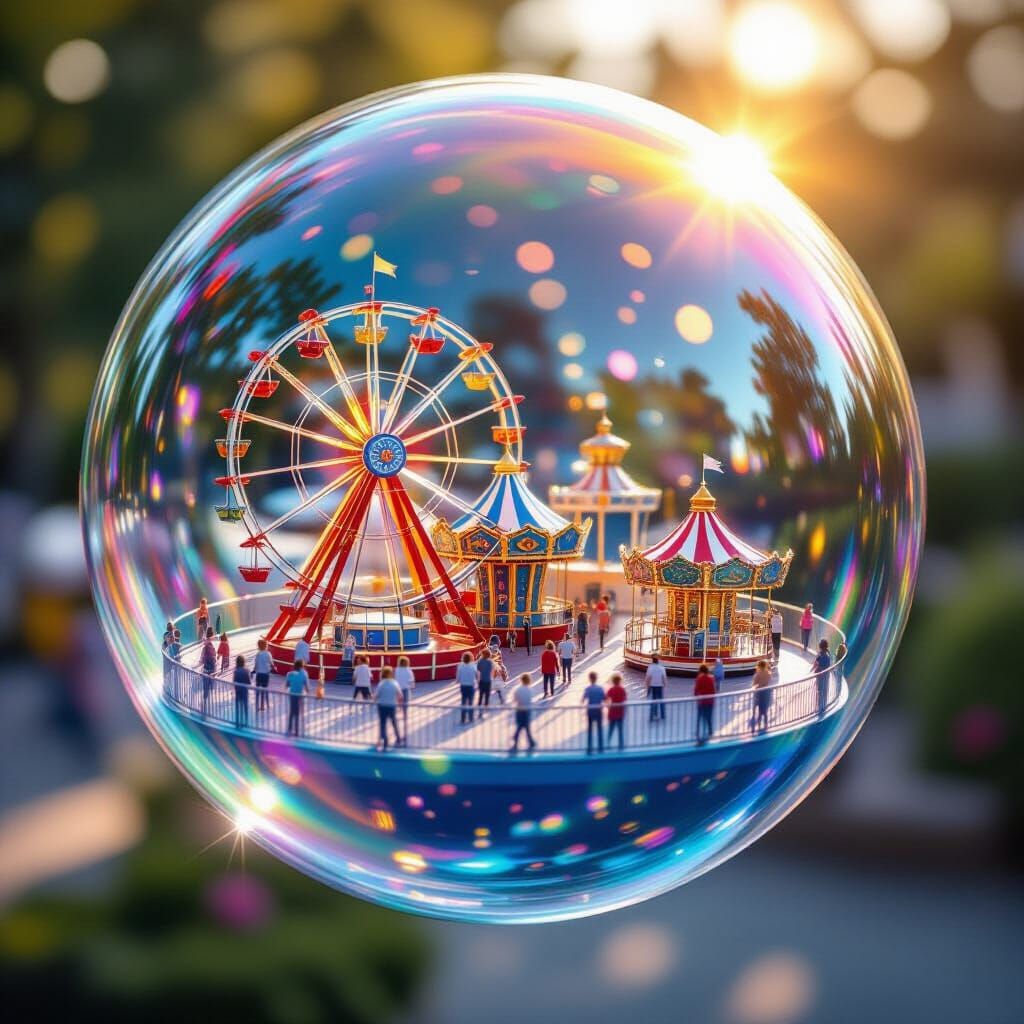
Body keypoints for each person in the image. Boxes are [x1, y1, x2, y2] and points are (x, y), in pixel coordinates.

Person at [375, 666, 402, 750]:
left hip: (382, 706)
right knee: (394, 723)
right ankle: (398, 739)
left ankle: (385, 741)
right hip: (392, 706)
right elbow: (400, 695)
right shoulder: (395, 683)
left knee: (383, 724)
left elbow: (376, 695)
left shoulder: (381, 684)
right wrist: (399, 705)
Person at [510, 673, 536, 753]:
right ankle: (530, 742)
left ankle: (516, 739)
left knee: (520, 725)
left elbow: (514, 699)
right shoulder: (530, 690)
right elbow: (531, 700)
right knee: (526, 726)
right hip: (527, 710)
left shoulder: (517, 689)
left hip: (519, 710)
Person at [582, 671, 605, 754]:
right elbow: (604, 699)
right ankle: (601, 748)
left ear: (590, 679)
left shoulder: (588, 689)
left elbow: (583, 699)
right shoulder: (600, 688)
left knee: (590, 730)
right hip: (598, 710)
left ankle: (589, 748)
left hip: (590, 711)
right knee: (599, 730)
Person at [694, 662, 716, 743]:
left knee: (700, 717)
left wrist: (697, 696)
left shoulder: (699, 679)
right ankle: (710, 731)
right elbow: (713, 690)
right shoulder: (711, 678)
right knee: (709, 717)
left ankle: (699, 733)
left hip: (701, 701)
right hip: (710, 701)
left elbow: (696, 691)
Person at [285, 659, 309, 735]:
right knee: (298, 713)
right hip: (300, 695)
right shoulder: (304, 674)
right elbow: (306, 687)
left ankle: (289, 729)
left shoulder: (290, 674)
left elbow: (287, 685)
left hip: (292, 695)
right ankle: (297, 731)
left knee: (292, 712)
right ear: (302, 666)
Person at [394, 655, 415, 736]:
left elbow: (395, 678)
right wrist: (412, 685)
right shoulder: (408, 670)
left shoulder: (397, 670)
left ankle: (399, 708)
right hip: (406, 688)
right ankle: (405, 713)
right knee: (405, 701)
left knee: (399, 700)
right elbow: (411, 679)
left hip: (398, 688)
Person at [605, 672, 627, 750]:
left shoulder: (611, 689)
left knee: (611, 729)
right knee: (620, 730)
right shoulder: (622, 689)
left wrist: (608, 706)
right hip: (620, 711)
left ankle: (607, 744)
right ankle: (621, 746)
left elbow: (606, 698)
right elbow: (625, 699)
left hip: (612, 712)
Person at [751, 659, 772, 733]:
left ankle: (759, 726)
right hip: (766, 691)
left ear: (759, 666)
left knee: (759, 710)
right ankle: (766, 725)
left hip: (759, 692)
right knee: (764, 710)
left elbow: (754, 684)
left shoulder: (758, 674)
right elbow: (769, 680)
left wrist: (756, 686)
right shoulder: (768, 673)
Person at [456, 651, 477, 724]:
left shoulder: (460, 666)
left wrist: (458, 681)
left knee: (463, 702)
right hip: (471, 686)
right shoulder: (473, 666)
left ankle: (463, 718)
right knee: (471, 702)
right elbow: (476, 675)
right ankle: (471, 718)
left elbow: (458, 677)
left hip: (463, 686)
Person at [645, 654, 667, 722]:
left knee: (653, 701)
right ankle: (663, 715)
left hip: (653, 686)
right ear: (658, 660)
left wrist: (647, 687)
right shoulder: (661, 667)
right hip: (660, 686)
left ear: (652, 660)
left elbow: (648, 678)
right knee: (661, 701)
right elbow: (664, 678)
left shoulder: (650, 667)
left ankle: (653, 715)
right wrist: (665, 685)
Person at [253, 637, 273, 712]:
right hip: (265, 674)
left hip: (259, 674)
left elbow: (256, 664)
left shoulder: (258, 654)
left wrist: (254, 670)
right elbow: (271, 663)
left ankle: (257, 705)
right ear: (266, 646)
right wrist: (273, 667)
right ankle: (264, 705)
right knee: (265, 689)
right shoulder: (268, 654)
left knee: (258, 690)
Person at [199, 628, 217, 708]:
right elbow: (214, 657)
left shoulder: (205, 647)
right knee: (210, 685)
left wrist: (201, 661)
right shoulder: (210, 646)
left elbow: (201, 660)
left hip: (206, 669)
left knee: (206, 686)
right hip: (211, 669)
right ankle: (207, 701)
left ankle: (205, 701)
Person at [813, 638, 832, 716]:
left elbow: (821, 666)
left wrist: (816, 670)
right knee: (822, 691)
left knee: (821, 691)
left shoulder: (823, 656)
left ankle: (821, 709)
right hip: (824, 676)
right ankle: (821, 707)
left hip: (822, 676)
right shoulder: (825, 654)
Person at [232, 654, 251, 728]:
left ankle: (237, 722)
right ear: (244, 662)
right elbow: (249, 682)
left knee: (238, 707)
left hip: (238, 691)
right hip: (244, 691)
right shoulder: (246, 671)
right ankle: (245, 722)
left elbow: (234, 681)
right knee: (245, 706)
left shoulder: (236, 671)